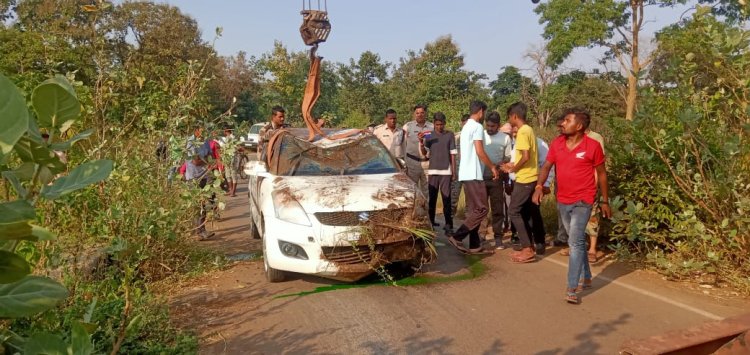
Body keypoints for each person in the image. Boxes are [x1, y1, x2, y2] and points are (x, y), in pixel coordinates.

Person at [532, 108, 611, 304]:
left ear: (579, 126)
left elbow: (601, 174)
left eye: (567, 121)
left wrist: (605, 200)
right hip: (563, 199)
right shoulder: (557, 143)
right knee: (575, 240)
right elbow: (547, 167)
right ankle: (587, 274)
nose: (562, 124)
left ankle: (572, 287)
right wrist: (540, 186)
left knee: (574, 242)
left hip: (584, 200)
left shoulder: (593, 146)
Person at [446, 101, 499, 255]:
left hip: (466, 173)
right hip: (474, 174)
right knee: (482, 209)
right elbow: (480, 151)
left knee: (475, 209)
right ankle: (458, 236)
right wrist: (492, 167)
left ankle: (475, 244)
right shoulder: (476, 127)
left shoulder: (466, 127)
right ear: (481, 111)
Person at [502, 102, 539, 263]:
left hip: (525, 179)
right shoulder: (529, 130)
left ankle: (527, 248)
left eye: (509, 117)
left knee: (513, 211)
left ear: (515, 116)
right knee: (523, 212)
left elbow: (525, 156)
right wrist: (513, 165)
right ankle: (529, 245)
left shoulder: (523, 131)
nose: (509, 121)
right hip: (530, 176)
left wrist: (513, 169)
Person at [418, 112, 457, 231]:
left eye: (441, 124)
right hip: (433, 171)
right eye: (437, 124)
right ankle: (431, 221)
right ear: (434, 124)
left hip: (446, 171)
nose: (439, 127)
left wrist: (454, 172)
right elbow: (425, 153)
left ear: (444, 123)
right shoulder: (429, 135)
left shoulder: (450, 135)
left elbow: (453, 154)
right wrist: (421, 143)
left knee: (447, 198)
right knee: (433, 198)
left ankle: (449, 224)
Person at [480, 111, 512, 249]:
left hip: (496, 178)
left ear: (498, 126)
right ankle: (481, 235)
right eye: (488, 125)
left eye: (493, 126)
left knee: (497, 208)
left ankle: (498, 237)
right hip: (480, 176)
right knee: (481, 208)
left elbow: (508, 158)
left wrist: (499, 166)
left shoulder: (505, 138)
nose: (490, 128)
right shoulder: (480, 135)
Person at [180, 154, 216, 240]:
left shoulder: (205, 142)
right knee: (198, 207)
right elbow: (195, 161)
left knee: (202, 206)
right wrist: (208, 160)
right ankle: (199, 231)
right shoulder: (192, 143)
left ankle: (200, 231)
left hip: (204, 177)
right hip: (195, 180)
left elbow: (210, 157)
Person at [403, 104, 433, 197]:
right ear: (414, 114)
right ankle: (415, 211)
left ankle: (427, 211)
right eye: (417, 113)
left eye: (422, 113)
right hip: (412, 163)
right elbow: (402, 144)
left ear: (425, 113)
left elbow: (433, 144)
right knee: (412, 190)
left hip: (427, 163)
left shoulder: (431, 127)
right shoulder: (408, 127)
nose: (420, 115)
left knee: (427, 191)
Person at [450, 114, 470, 221]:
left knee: (469, 199)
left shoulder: (474, 137)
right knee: (453, 198)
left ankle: (468, 222)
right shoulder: (456, 137)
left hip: (469, 173)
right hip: (457, 172)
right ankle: (450, 221)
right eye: (464, 123)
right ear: (461, 123)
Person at [219, 127, 239, 197]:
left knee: (233, 174)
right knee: (228, 175)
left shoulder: (233, 138)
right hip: (227, 158)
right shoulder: (226, 138)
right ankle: (231, 190)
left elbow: (235, 148)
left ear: (226, 131)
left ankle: (233, 191)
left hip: (232, 158)